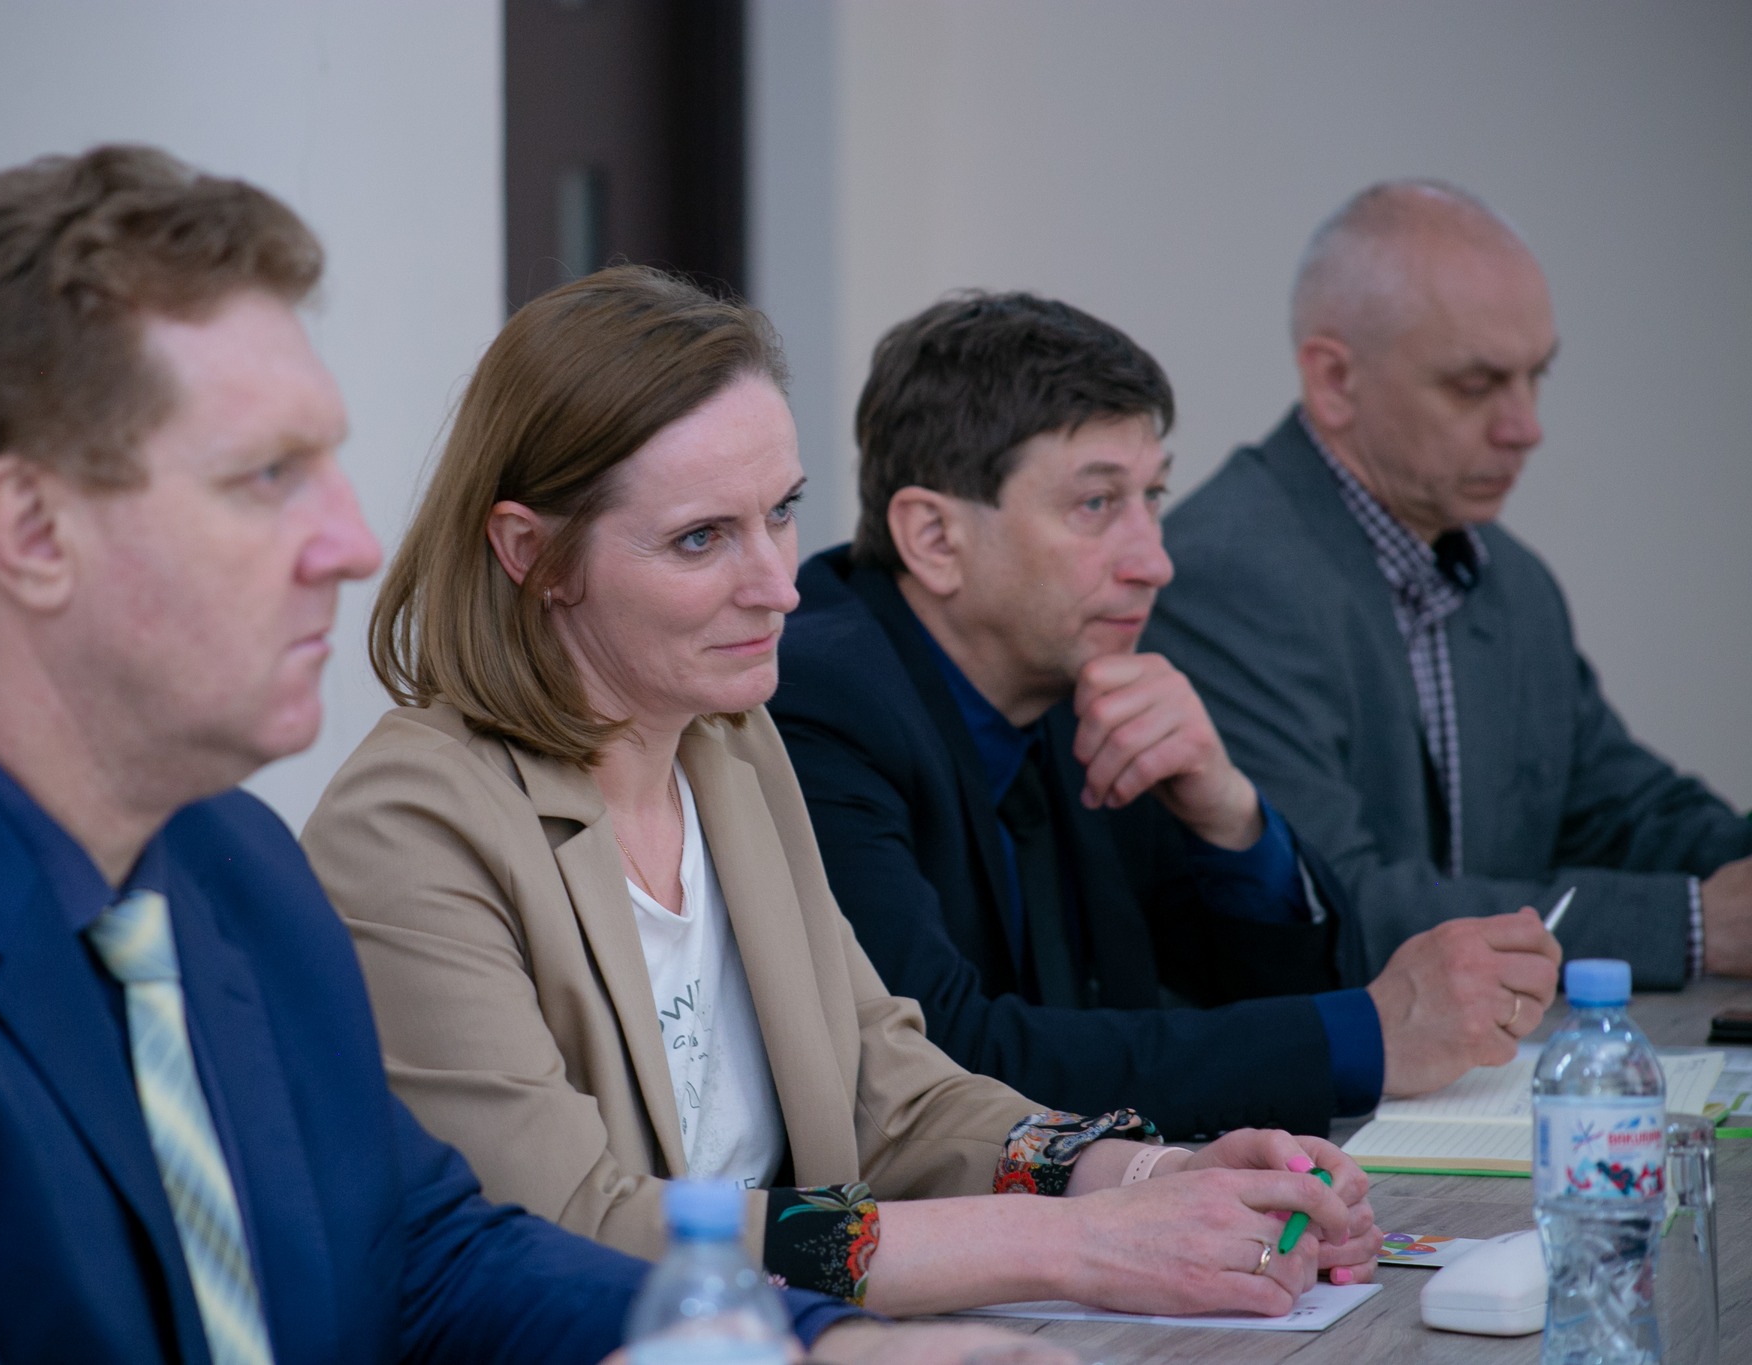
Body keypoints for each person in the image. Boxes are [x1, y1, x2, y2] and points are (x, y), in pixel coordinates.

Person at [0, 147, 885, 1365]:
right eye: (266, 476)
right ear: (32, 532)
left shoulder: (236, 862)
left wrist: (820, 1346)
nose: (353, 542)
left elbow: (428, 1255)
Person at [302, 265, 1381, 1325]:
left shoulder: (728, 747)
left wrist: (1144, 1174)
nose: (778, 584)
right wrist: (1072, 1242)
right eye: (700, 538)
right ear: (531, 554)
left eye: (780, 512)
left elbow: (894, 1093)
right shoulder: (411, 823)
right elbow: (580, 1231)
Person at [769, 291, 1564, 1140]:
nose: (1154, 562)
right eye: (1096, 504)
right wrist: (1368, 1033)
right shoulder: (821, 702)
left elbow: (1256, 1006)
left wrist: (1229, 816)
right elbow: (942, 1063)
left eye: (1152, 495)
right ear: (934, 538)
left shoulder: (1078, 680)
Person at [1144, 180, 1752, 988]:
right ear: (1335, 381)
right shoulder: (1224, 573)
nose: (1526, 427)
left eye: (1536, 376)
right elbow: (1336, 902)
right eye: (1475, 386)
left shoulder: (1512, 580)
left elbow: (1622, 814)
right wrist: (1693, 925)